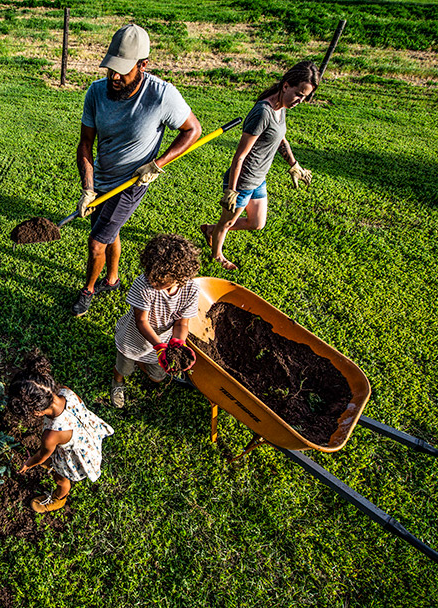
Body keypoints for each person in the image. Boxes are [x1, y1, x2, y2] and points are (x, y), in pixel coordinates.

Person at [71, 24, 202, 317]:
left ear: (143, 64)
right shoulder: (95, 93)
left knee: (96, 243)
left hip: (131, 184)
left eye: (122, 70)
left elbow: (193, 130)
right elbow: (85, 143)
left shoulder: (162, 95)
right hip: (102, 179)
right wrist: (88, 187)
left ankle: (88, 290)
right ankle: (113, 280)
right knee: (108, 231)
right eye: (110, 69)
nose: (114, 77)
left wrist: (157, 163)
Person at [200, 61, 320, 271]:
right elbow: (240, 155)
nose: (300, 100)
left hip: (259, 178)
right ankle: (217, 254)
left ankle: (212, 230)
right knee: (227, 222)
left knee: (257, 223)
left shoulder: (281, 107)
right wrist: (232, 190)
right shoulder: (262, 113)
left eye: (304, 97)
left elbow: (281, 138)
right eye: (299, 94)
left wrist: (294, 165)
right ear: (285, 85)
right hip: (244, 181)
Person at [7, 354, 114, 513]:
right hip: (86, 433)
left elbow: (43, 455)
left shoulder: (52, 435)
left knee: (60, 479)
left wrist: (29, 463)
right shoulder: (65, 391)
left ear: (37, 412)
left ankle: (59, 498)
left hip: (76, 454)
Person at [110, 233, 201, 408]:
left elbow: (182, 323)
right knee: (123, 369)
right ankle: (117, 382)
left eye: (159, 279)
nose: (152, 280)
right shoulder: (144, 284)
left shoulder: (191, 290)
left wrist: (178, 344)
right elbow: (141, 321)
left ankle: (142, 363)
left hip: (163, 342)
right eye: (150, 274)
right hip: (134, 340)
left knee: (157, 377)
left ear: (179, 275)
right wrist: (159, 347)